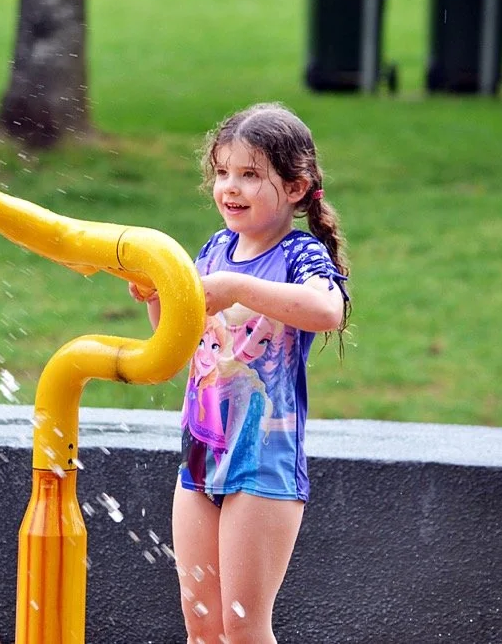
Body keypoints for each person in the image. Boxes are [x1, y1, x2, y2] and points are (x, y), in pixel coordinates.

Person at [130, 102, 350, 643]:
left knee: (243, 626)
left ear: (296, 188)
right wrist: (157, 296)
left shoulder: (300, 255)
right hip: (201, 455)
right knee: (202, 626)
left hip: (263, 464)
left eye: (250, 175)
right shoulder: (215, 249)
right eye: (223, 172)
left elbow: (327, 311)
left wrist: (236, 287)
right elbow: (180, 341)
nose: (231, 187)